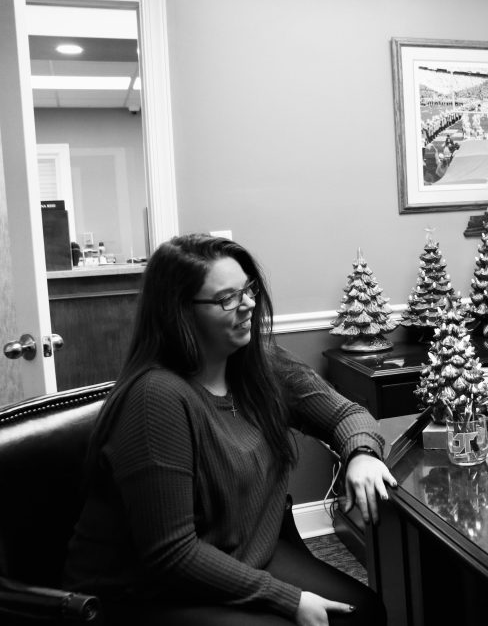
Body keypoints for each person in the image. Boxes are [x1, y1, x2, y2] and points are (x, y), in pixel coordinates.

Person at [62, 233, 395, 625]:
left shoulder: (259, 363)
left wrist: (361, 454)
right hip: (154, 591)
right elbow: (172, 554)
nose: (249, 305)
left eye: (249, 291)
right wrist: (286, 598)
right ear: (179, 313)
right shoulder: (157, 398)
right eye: (227, 299)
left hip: (247, 550)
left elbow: (346, 415)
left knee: (365, 613)